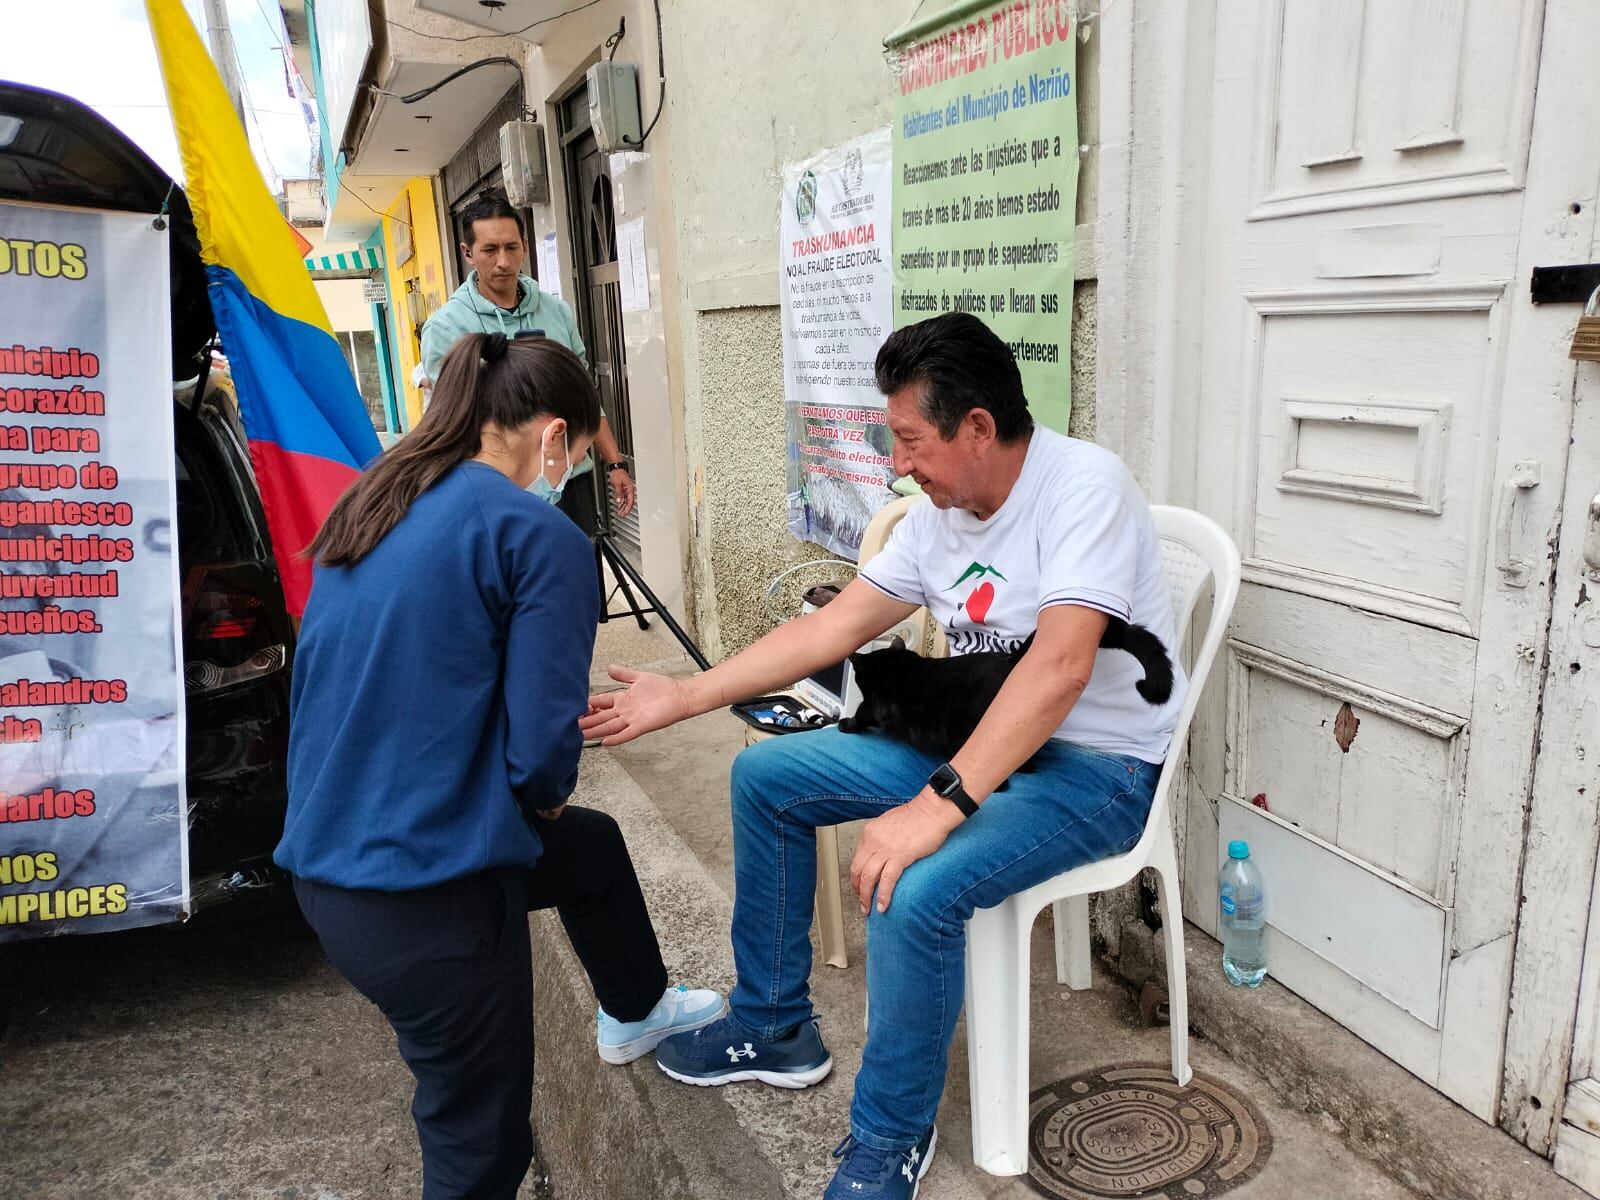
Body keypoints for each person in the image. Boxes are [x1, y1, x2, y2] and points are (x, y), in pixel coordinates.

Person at [582, 312, 1188, 1200]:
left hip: (1097, 769)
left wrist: (935, 805)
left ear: (976, 426)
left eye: (909, 438)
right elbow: (834, 624)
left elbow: (1059, 670)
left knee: (913, 884)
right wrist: (689, 693)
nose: (899, 462)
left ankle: (888, 1138)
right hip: (982, 750)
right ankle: (775, 1023)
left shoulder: (1083, 488)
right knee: (766, 779)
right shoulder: (943, 511)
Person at [276, 332, 723, 1200]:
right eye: (586, 451)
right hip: (427, 899)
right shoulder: (538, 536)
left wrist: (542, 802)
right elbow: (540, 752)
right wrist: (543, 791)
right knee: (478, 1149)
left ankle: (635, 1011)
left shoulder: (378, 501)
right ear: (554, 436)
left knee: (588, 852)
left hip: (332, 873)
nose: (578, 470)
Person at [419, 192, 635, 537]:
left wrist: (615, 462)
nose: (503, 261)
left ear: (525, 246)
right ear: (468, 253)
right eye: (490, 250)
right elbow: (454, 421)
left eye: (512, 247)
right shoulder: (447, 328)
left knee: (579, 582)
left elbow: (584, 394)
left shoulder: (556, 311)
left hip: (571, 483)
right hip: (500, 495)